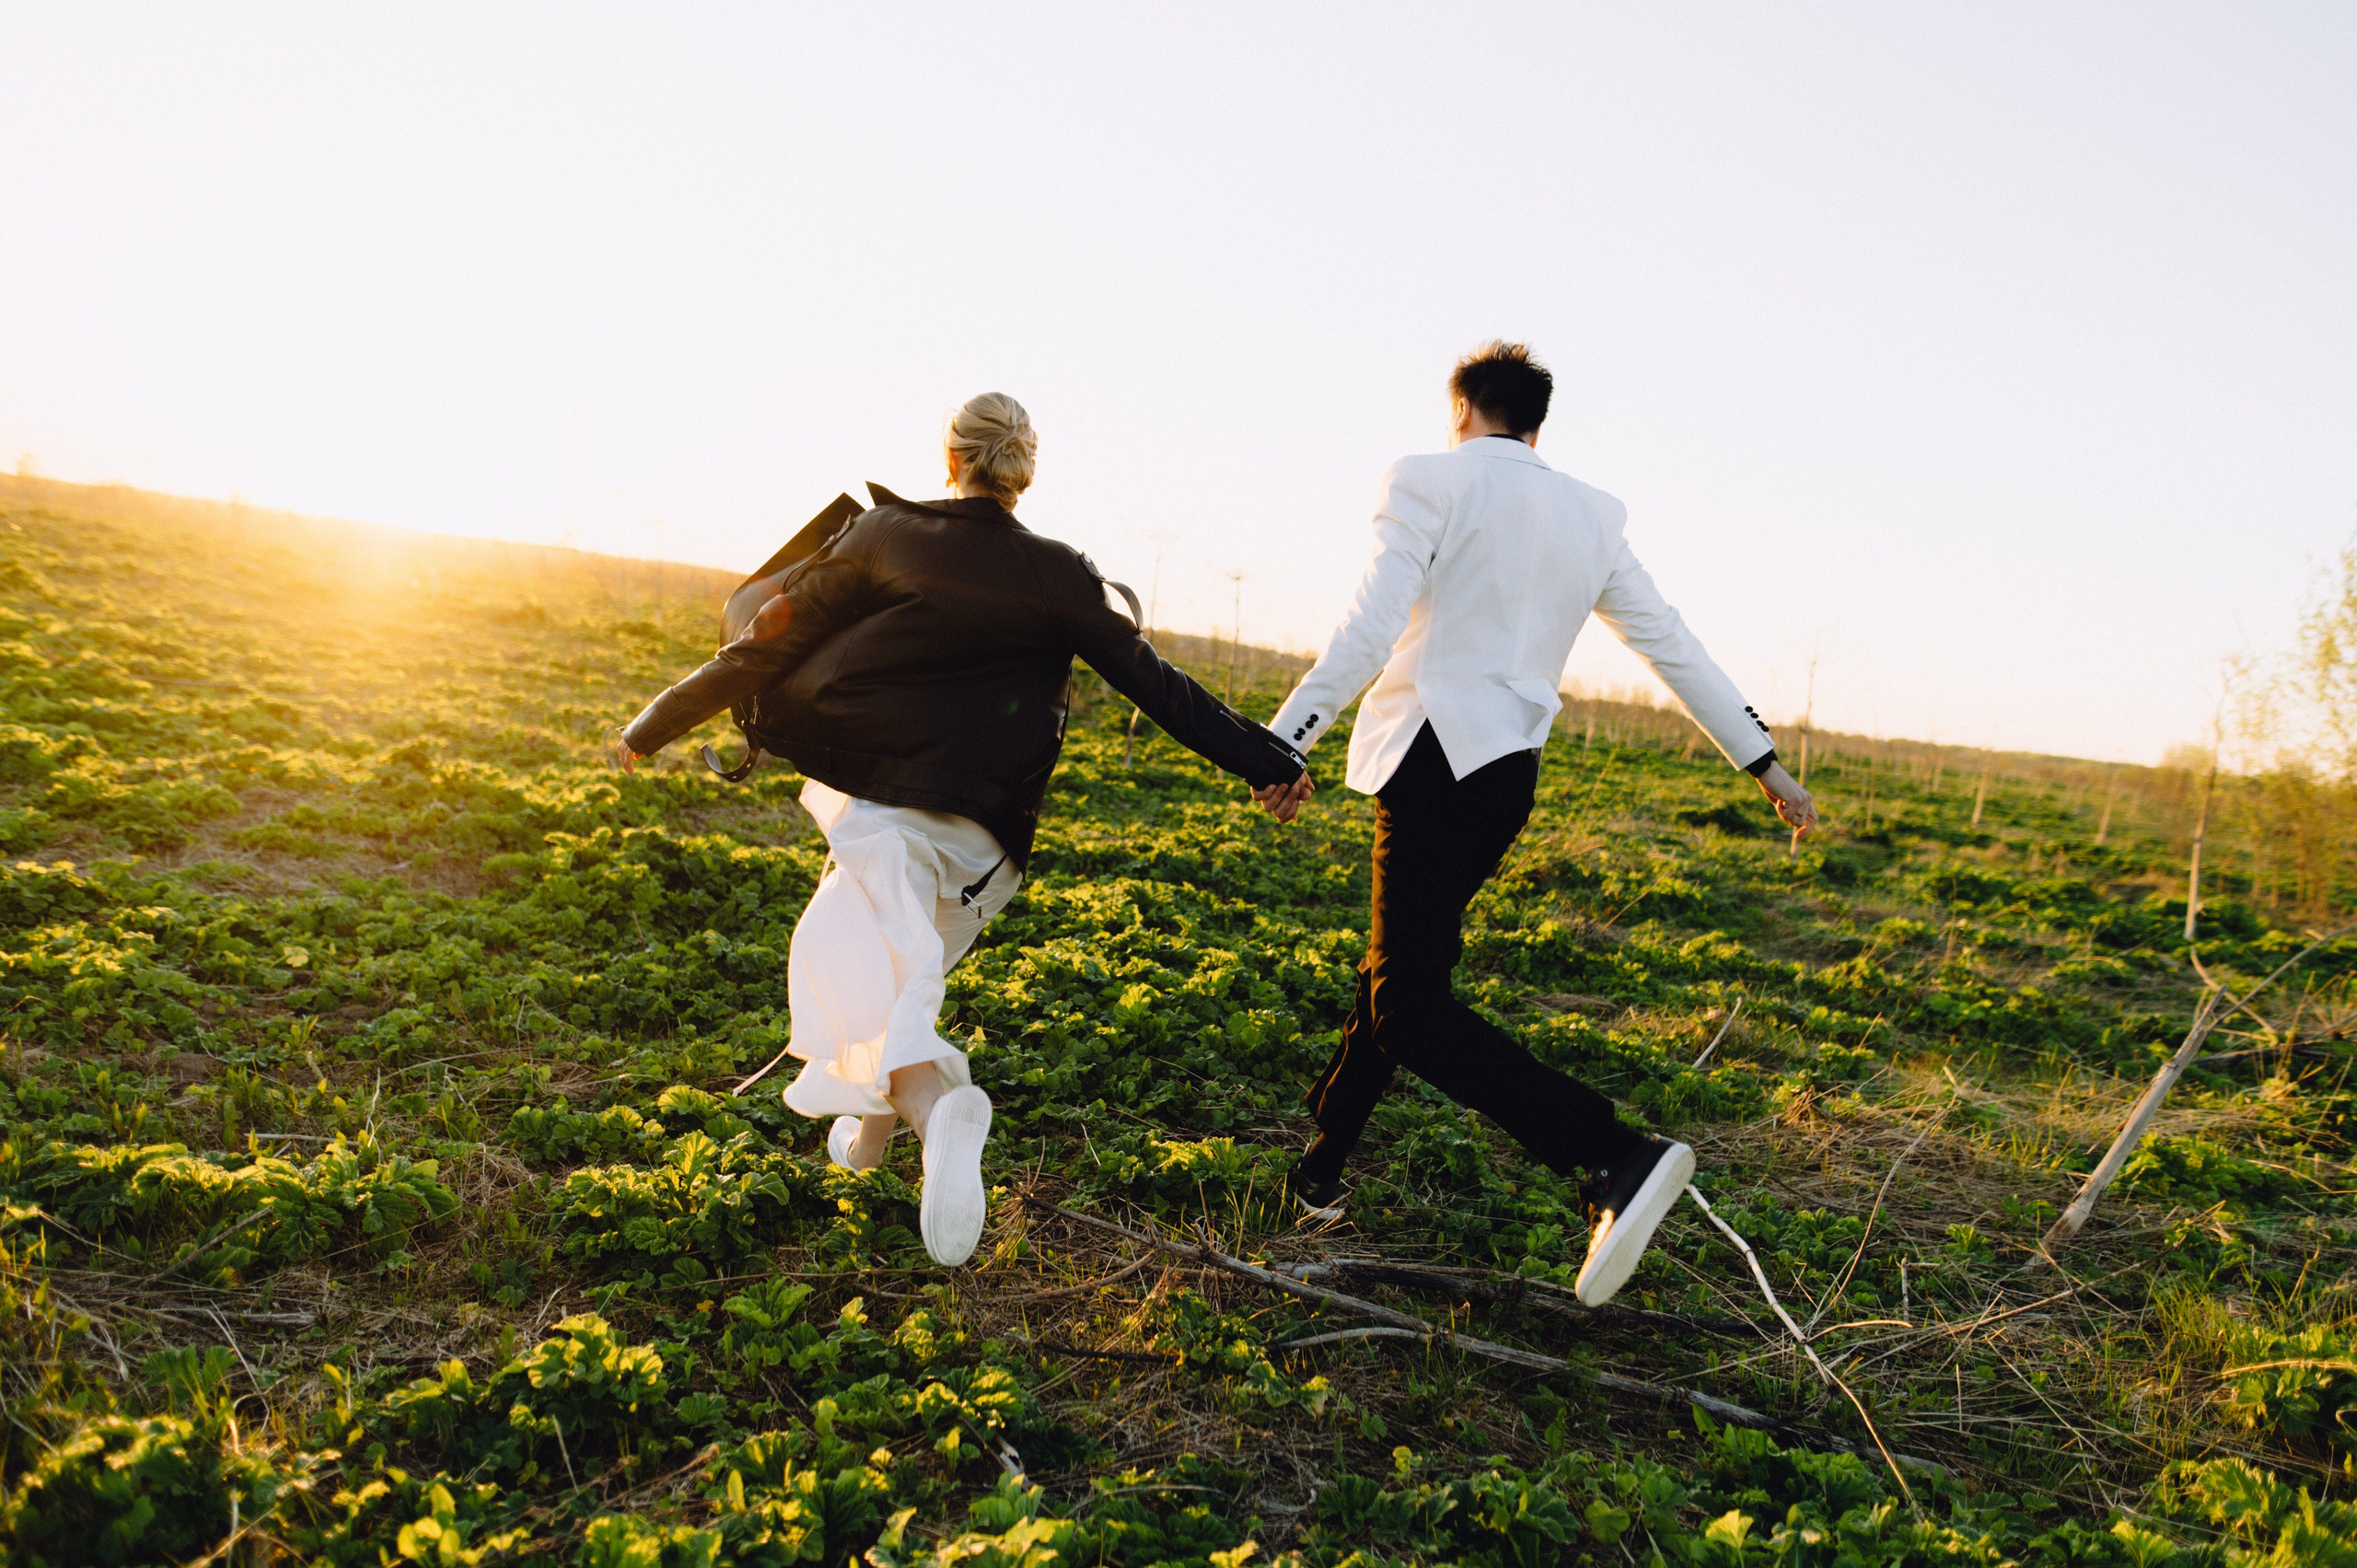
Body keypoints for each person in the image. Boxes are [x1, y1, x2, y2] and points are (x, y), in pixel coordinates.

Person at [614, 393, 1308, 1267]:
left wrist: (654, 722)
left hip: (883, 813)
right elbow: (1162, 688)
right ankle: (863, 1152)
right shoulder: (1062, 573)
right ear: (1024, 471)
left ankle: (940, 1109)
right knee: (897, 976)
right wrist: (1271, 761)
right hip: (985, 845)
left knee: (843, 966)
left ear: (952, 458)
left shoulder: (881, 537)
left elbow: (764, 642)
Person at [1255, 342, 1817, 1307]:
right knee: (1402, 972)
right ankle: (1319, 1167)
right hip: (1506, 775)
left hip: (1430, 759)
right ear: (1537, 423)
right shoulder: (1589, 512)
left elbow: (1369, 623)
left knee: (1407, 1003)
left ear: (1462, 409)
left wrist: (1283, 741)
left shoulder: (1429, 476)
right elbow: (1669, 642)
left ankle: (1609, 1153)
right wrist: (1761, 760)